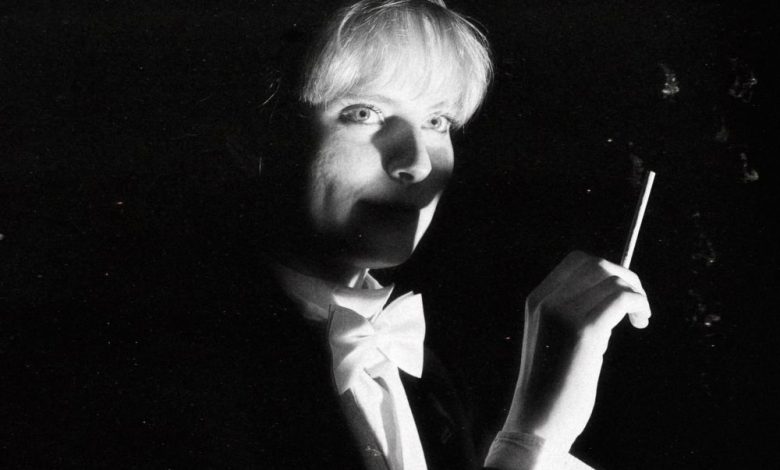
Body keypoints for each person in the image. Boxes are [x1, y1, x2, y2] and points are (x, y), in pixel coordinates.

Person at [0, 1, 651, 469]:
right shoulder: (139, 371)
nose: (416, 163)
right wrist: (533, 441)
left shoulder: (433, 372)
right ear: (252, 139)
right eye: (364, 113)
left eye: (438, 122)